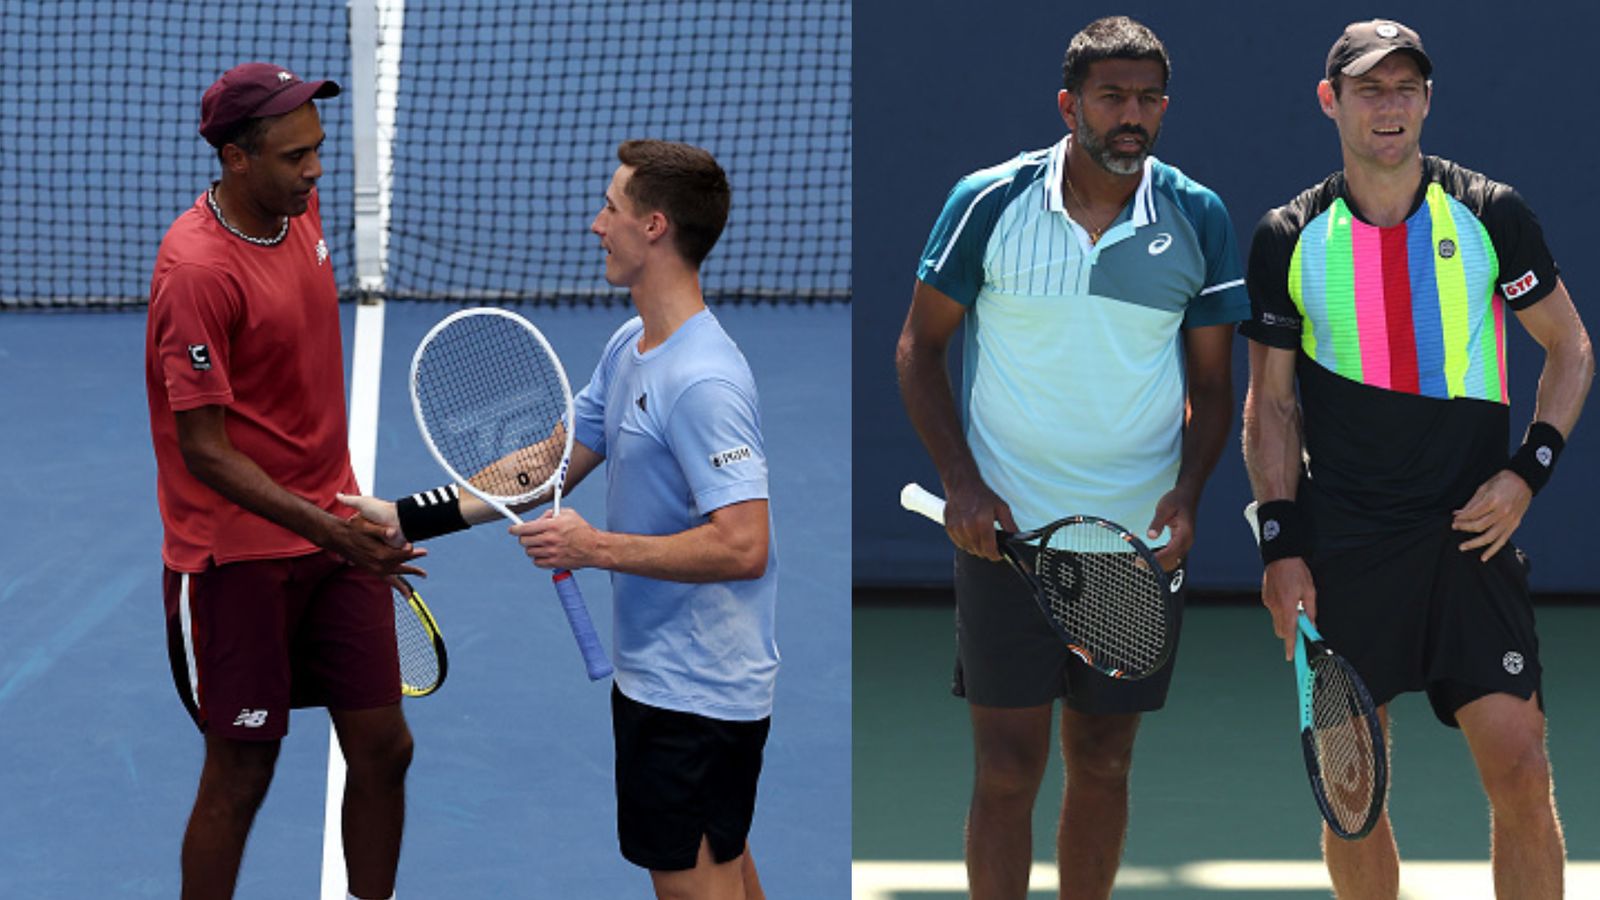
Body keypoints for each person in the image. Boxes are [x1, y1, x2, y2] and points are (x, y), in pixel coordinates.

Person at [343, 139, 778, 900]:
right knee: (727, 866)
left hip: (697, 691)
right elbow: (544, 464)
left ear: (654, 227)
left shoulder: (703, 380)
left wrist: (594, 545)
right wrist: (406, 515)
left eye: (611, 207)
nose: (594, 223)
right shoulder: (631, 347)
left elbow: (745, 547)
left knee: (694, 880)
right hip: (668, 679)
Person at [894, 16, 1248, 899]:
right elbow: (917, 349)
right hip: (1007, 537)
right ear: (1069, 104)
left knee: (1104, 762)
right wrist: (964, 486)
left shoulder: (1197, 216)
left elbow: (1213, 385)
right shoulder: (990, 200)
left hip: (1134, 545)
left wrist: (1191, 492)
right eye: (1112, 96)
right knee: (1008, 770)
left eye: (1148, 98)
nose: (1132, 115)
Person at [1241, 19, 1592, 898]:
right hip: (1345, 544)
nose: (1389, 106)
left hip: (1467, 541)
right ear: (1333, 102)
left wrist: (1527, 471)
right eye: (1370, 88)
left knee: (1520, 769)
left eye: (1406, 88)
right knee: (1351, 791)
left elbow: (1571, 350)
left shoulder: (1490, 214)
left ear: (1428, 99)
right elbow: (1272, 405)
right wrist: (1281, 546)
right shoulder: (1288, 236)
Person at [144, 62, 425, 900]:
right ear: (236, 158)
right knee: (243, 770)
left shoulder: (296, 211)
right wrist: (326, 526)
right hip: (238, 556)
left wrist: (343, 516)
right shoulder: (196, 272)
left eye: (318, 151)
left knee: (385, 746)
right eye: (295, 156)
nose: (315, 170)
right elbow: (205, 447)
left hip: (333, 527)